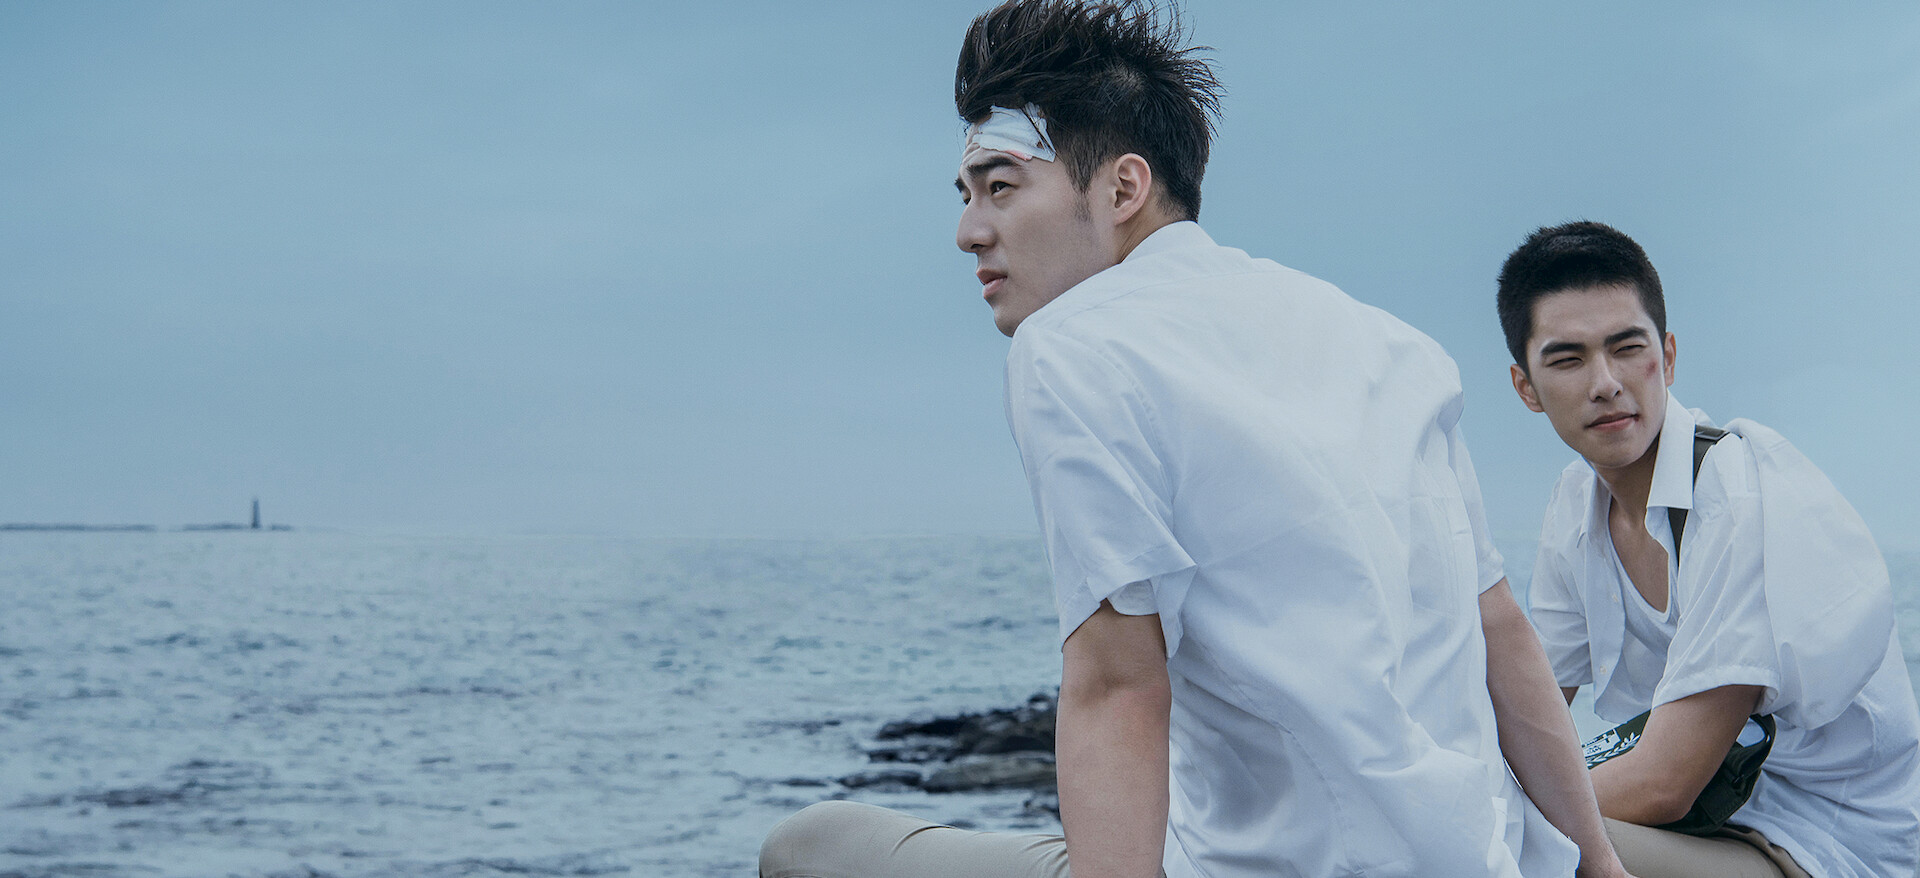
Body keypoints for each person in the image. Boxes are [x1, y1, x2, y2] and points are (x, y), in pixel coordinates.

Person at [760, 2, 1628, 876]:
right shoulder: (1390, 345)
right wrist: (1598, 864)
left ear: (1123, 190)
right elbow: (1499, 630)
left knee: (810, 845)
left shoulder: (1073, 347)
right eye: (965, 195)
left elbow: (1117, 686)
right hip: (1484, 858)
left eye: (1001, 187)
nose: (968, 231)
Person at [1496, 220, 1920, 878]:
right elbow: (1531, 712)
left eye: (1626, 348)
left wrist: (1487, 809)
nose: (1605, 382)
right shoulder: (1575, 506)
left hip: (1824, 845)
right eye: (1568, 359)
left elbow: (1665, 784)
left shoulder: (1737, 497)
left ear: (1667, 358)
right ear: (1526, 387)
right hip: (1715, 823)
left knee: (1517, 845)